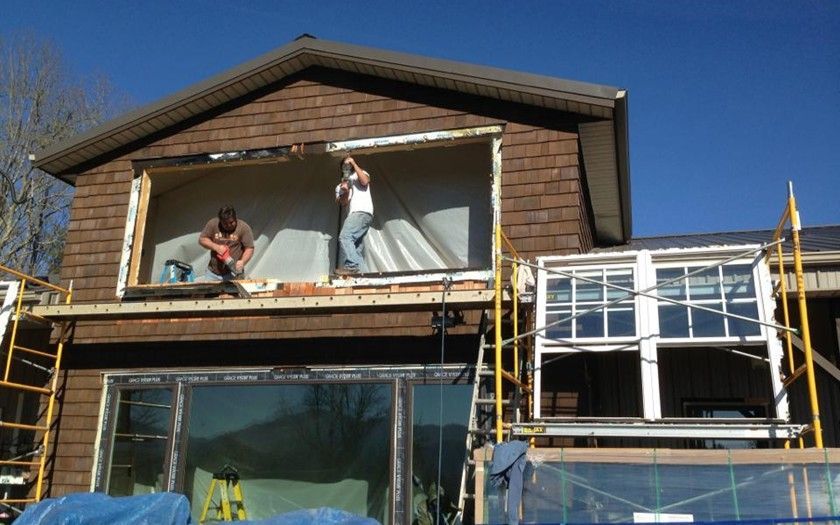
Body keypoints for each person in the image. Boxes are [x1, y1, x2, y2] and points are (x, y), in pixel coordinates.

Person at [334, 156, 373, 276]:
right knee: (356, 248)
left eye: (349, 164)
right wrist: (345, 190)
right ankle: (362, 275)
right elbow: (344, 203)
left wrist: (355, 164)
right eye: (345, 165)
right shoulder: (339, 186)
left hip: (361, 211)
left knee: (345, 236)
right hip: (358, 214)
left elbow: (365, 181)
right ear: (342, 168)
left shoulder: (359, 174)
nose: (347, 166)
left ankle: (351, 266)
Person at [198, 205, 255, 281]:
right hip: (213, 273)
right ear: (220, 220)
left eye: (231, 222)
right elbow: (202, 239)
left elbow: (249, 248)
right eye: (225, 223)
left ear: (235, 218)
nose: (228, 225)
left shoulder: (243, 228)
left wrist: (242, 261)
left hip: (233, 273)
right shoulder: (213, 224)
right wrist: (216, 247)